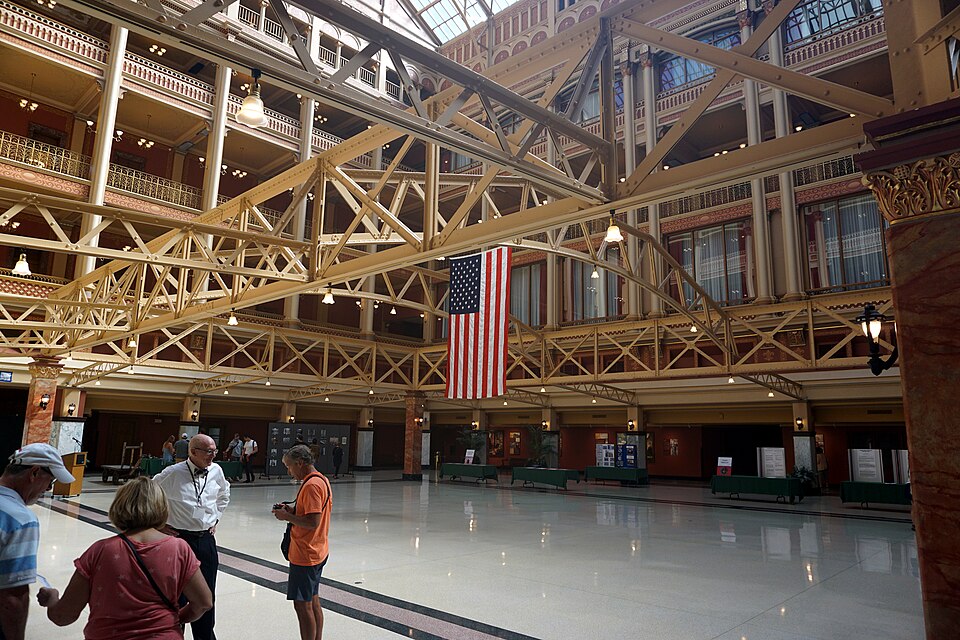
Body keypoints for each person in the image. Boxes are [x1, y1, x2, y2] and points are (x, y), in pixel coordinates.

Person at [36, 477, 212, 639]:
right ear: (162, 507)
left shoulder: (100, 551)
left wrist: (52, 598)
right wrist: (171, 619)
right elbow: (204, 602)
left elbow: (63, 616)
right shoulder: (179, 548)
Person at [153, 434, 230, 640]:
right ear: (193, 451)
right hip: (179, 539)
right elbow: (147, 494)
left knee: (206, 593)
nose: (213, 455)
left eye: (214, 450)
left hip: (205, 540)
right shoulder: (173, 473)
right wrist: (157, 524)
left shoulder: (216, 471)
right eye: (208, 451)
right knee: (177, 594)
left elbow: (224, 494)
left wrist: (216, 519)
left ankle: (204, 635)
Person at [0, 444, 75, 640]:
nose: (48, 489)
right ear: (34, 473)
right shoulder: (21, 520)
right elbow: (12, 597)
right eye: (50, 481)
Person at [272, 445, 332, 640]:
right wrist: (291, 510)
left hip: (306, 553)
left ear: (300, 463)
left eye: (289, 467)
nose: (288, 471)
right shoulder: (321, 480)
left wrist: (286, 517)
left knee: (302, 604)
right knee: (312, 599)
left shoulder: (312, 485)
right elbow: (311, 513)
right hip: (318, 549)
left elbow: (313, 522)